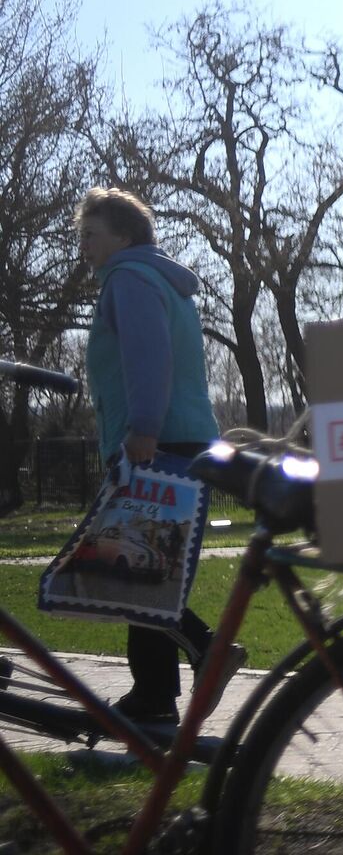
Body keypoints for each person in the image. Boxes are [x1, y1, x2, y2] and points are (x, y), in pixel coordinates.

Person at [76, 187, 243, 724]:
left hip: (157, 440)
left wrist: (142, 430)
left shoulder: (129, 278)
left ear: (123, 236)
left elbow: (149, 357)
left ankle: (190, 662)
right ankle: (159, 692)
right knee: (142, 568)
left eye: (91, 234)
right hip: (183, 439)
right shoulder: (159, 280)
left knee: (128, 567)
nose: (84, 246)